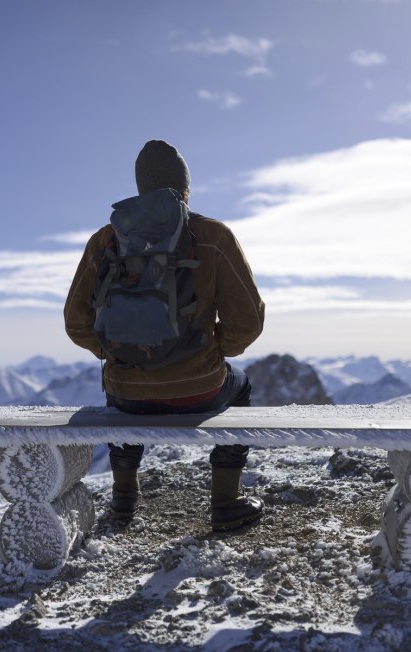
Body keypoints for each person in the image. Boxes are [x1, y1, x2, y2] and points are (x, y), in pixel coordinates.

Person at [63, 139, 266, 532]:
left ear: (141, 188)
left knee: (118, 392)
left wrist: (119, 352)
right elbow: (248, 322)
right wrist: (208, 353)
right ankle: (226, 502)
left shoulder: (106, 240)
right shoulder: (212, 235)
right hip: (201, 388)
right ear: (185, 189)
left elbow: (76, 321)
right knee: (240, 389)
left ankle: (123, 503)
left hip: (126, 392)